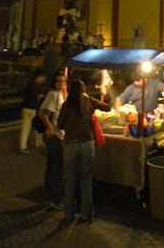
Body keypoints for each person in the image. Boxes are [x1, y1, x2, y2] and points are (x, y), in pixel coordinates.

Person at [56, 78, 111, 223]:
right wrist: (105, 94)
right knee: (86, 181)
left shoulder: (67, 104)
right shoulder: (89, 100)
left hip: (71, 145)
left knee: (70, 180)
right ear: (83, 89)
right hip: (87, 143)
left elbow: (60, 124)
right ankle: (86, 214)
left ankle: (68, 215)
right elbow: (107, 107)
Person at [37, 72, 68, 209]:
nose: (61, 83)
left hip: (58, 134)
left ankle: (48, 196)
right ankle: (55, 199)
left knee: (52, 167)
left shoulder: (61, 95)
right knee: (58, 169)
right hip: (55, 136)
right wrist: (49, 127)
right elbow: (41, 112)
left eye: (63, 81)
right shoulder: (53, 94)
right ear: (54, 82)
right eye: (58, 81)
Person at [20, 70, 48, 154]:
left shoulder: (29, 85)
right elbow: (39, 98)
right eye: (43, 78)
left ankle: (22, 147)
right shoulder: (38, 87)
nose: (44, 79)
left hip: (25, 108)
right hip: (34, 109)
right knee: (38, 126)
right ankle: (38, 143)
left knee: (25, 129)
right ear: (39, 78)